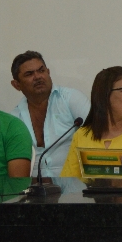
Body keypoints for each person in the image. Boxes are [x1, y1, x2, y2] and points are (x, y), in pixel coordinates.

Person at [9, 51, 90, 179]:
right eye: (29, 74)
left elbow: (98, 135)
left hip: (75, 184)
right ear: (16, 85)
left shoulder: (71, 99)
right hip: (35, 186)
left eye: (41, 71)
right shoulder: (14, 119)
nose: (37, 77)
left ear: (48, 72)